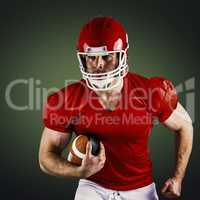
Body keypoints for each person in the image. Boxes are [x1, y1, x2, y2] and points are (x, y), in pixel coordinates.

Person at [39, 16, 193, 200]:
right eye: (91, 58)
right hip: (92, 186)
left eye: (106, 56)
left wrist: (178, 178)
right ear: (82, 58)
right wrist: (77, 171)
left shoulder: (151, 91)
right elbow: (46, 157)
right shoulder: (66, 100)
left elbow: (185, 126)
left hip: (140, 188)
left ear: (122, 55)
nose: (99, 65)